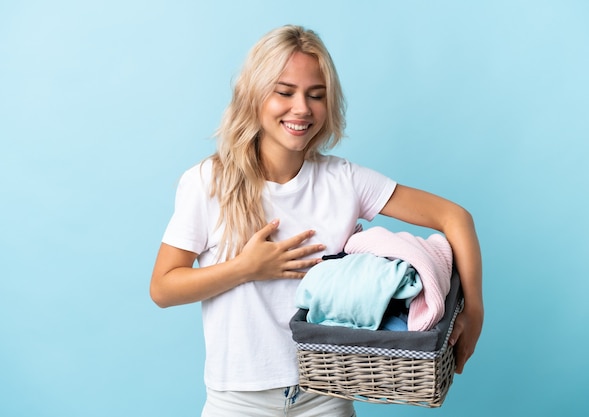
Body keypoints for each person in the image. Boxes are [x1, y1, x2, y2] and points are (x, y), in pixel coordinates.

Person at [150, 24, 483, 417]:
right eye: (285, 92)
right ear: (255, 96)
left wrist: (472, 313)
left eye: (316, 95)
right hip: (238, 400)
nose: (302, 109)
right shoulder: (208, 182)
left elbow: (454, 217)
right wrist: (245, 268)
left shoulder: (344, 180)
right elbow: (163, 288)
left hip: (325, 398)